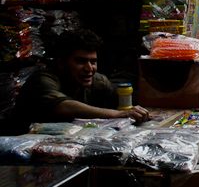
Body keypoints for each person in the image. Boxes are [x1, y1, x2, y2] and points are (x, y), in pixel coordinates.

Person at [12, 29, 150, 131]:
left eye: (93, 62)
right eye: (80, 61)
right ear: (61, 62)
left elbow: (119, 100)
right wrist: (119, 114)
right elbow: (63, 106)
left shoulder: (98, 81)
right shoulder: (43, 79)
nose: (89, 68)